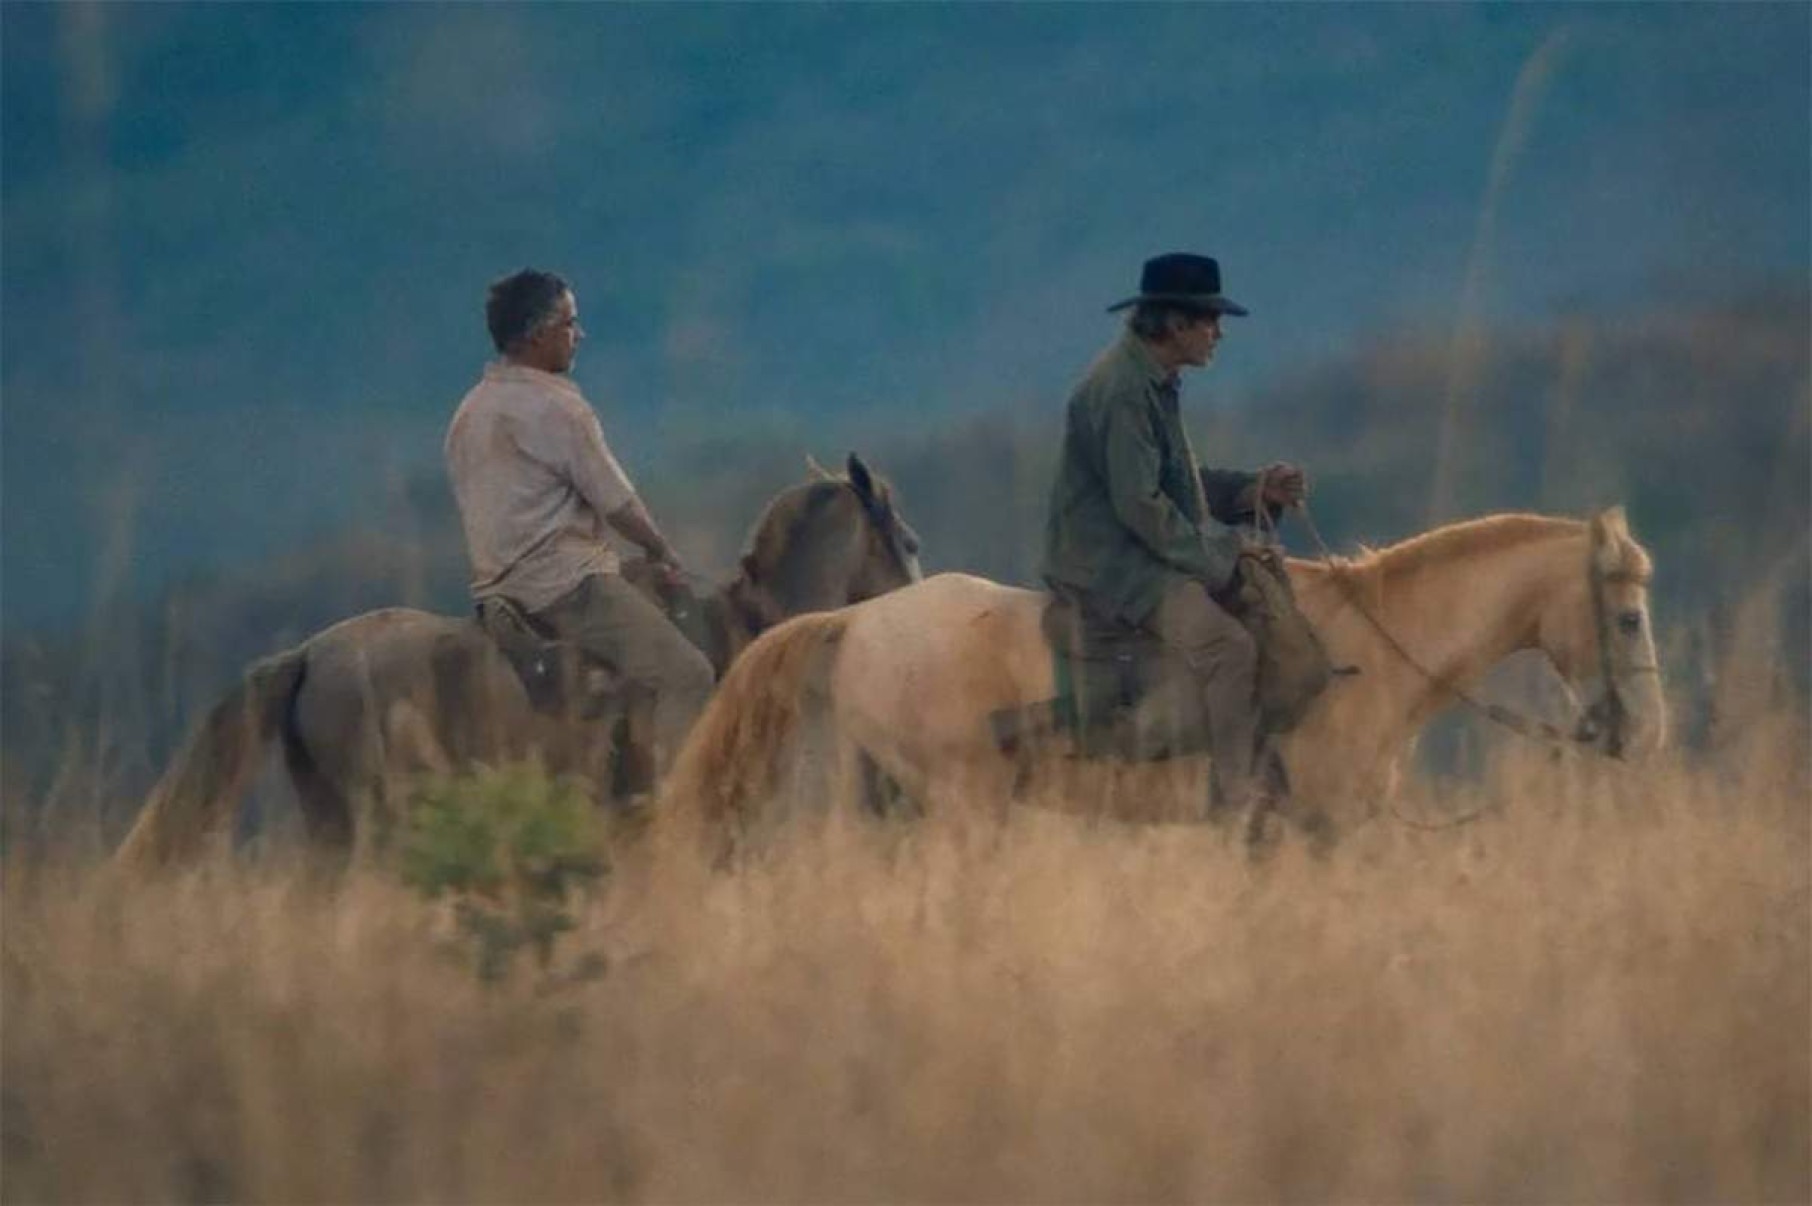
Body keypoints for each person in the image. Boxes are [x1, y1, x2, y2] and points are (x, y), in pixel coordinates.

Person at [1041, 252, 1306, 814]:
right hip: (1110, 566)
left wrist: (1251, 491)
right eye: (1210, 321)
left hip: (1137, 550)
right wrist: (1221, 554)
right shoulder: (1122, 391)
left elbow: (1177, 484)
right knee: (1228, 648)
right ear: (1176, 324)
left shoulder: (1151, 380)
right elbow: (1140, 506)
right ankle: (1242, 802)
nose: (1218, 334)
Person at [445, 268, 713, 785]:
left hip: (496, 595)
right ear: (537, 334)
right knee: (687, 675)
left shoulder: (468, 411)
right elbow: (616, 503)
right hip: (567, 587)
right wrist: (662, 550)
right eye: (570, 323)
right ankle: (683, 811)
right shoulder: (558, 406)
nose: (578, 334)